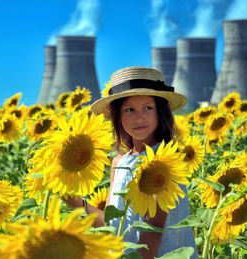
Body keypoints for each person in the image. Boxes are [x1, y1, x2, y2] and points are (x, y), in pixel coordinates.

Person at [65, 66, 197, 259]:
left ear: (160, 112)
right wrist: (77, 203)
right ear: (118, 116)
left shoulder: (165, 162)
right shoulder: (119, 162)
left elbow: (153, 230)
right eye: (130, 109)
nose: (139, 117)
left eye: (147, 108)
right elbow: (112, 224)